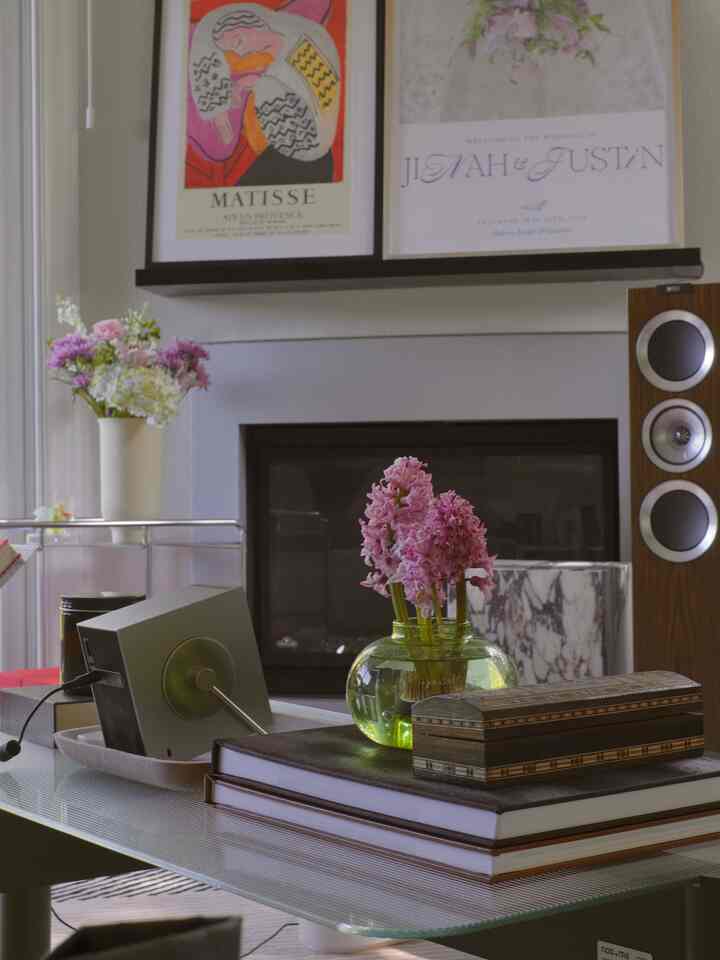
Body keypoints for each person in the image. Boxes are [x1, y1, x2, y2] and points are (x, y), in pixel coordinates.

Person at [187, 1, 342, 186]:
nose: (241, 52)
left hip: (306, 150)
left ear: (255, 24)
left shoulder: (305, 46)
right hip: (290, 152)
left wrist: (254, 84)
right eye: (233, 49)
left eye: (238, 42)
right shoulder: (268, 58)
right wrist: (219, 109)